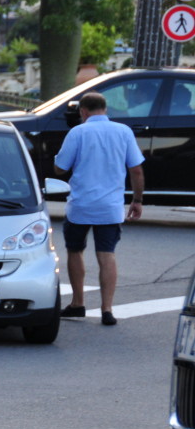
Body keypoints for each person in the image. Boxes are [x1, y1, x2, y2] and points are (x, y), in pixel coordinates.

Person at [54, 91, 145, 326]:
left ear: (83, 112)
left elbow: (60, 169)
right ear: (105, 109)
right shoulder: (123, 132)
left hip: (81, 205)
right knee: (107, 255)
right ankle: (107, 309)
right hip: (110, 207)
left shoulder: (78, 132)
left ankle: (77, 303)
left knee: (75, 251)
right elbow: (136, 170)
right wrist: (137, 200)